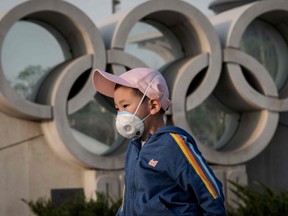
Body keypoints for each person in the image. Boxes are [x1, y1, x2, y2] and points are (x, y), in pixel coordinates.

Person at [92, 67, 226, 216]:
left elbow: (211, 191)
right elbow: (129, 198)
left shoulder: (174, 144)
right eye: (118, 108)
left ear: (154, 106)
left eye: (125, 106)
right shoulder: (134, 148)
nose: (120, 114)